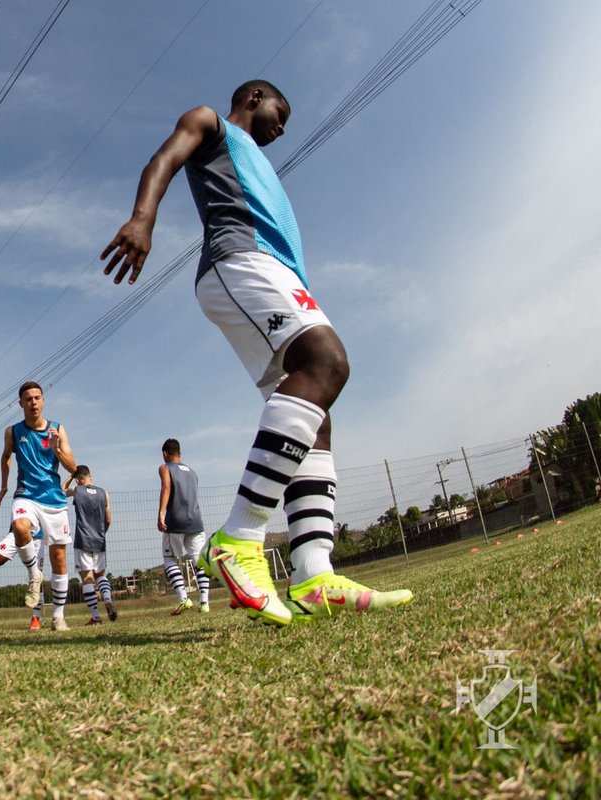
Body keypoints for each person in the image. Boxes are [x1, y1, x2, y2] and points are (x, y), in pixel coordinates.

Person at [101, 80, 412, 625]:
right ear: (253, 98)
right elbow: (163, 159)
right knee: (327, 362)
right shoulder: (211, 122)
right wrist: (143, 218)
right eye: (279, 112)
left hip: (276, 273)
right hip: (240, 261)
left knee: (314, 416)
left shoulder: (259, 162)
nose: (283, 127)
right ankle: (239, 537)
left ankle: (314, 575)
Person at [0, 381, 76, 631]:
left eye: (37, 398)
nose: (33, 402)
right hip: (26, 495)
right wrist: (3, 486)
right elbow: (5, 456)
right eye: (28, 399)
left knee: (58, 558)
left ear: (43, 400)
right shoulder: (12, 431)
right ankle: (34, 575)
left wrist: (56, 449)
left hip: (53, 498)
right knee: (20, 527)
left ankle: (58, 617)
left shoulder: (57, 429)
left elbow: (74, 468)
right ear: (21, 403)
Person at [158, 439, 209, 615]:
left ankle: (183, 598)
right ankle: (204, 602)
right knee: (199, 560)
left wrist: (161, 513)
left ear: (165, 454)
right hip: (196, 521)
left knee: (169, 558)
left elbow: (166, 488)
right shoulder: (192, 472)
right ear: (180, 453)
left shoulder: (165, 468)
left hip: (175, 521)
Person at [64, 465, 116, 625]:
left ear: (78, 480)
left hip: (83, 539)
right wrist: (101, 533)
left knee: (87, 578)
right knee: (100, 574)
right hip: (99, 539)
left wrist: (70, 476)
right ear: (90, 477)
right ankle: (107, 598)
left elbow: (60, 491)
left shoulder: (77, 490)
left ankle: (96, 616)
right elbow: (108, 519)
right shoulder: (104, 493)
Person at [0, 530, 46, 630]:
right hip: (16, 534)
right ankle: (35, 574)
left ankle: (36, 617)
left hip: (37, 537)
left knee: (36, 580)